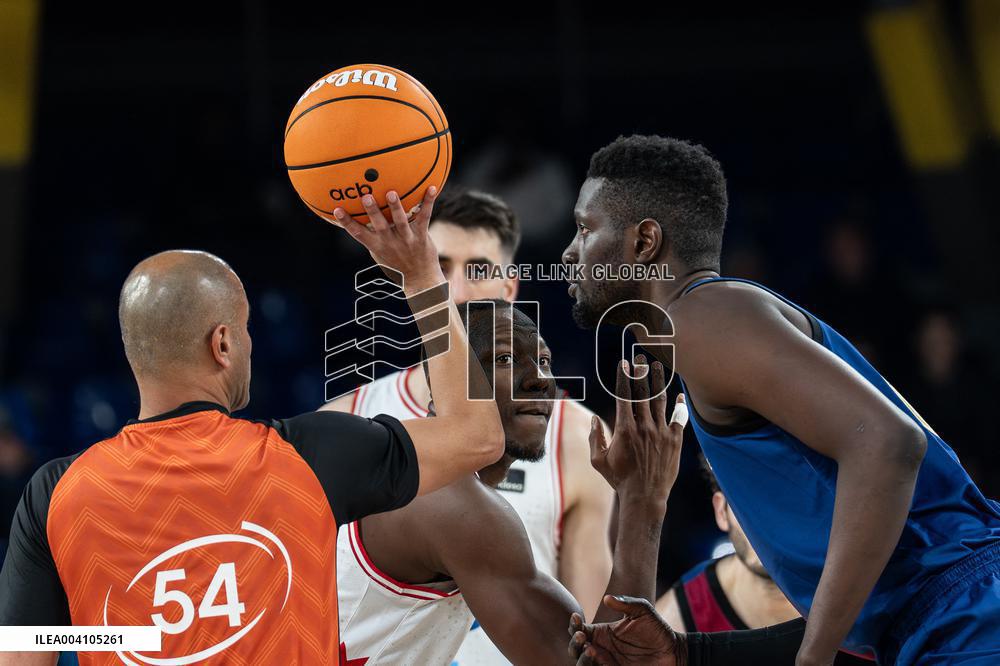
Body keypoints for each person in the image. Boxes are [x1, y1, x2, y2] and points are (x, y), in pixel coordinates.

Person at [0, 187, 504, 665]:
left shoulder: (54, 493)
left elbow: (23, 653)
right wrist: (420, 277)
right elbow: (477, 435)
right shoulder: (309, 457)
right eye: (244, 331)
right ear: (222, 344)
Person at [561, 135, 1000, 665]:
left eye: (586, 229)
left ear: (645, 241)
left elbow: (890, 444)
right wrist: (687, 653)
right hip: (944, 618)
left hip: (968, 611)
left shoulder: (702, 320)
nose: (568, 251)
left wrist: (811, 661)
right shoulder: (715, 325)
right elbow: (871, 612)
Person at [323, 189, 616, 662]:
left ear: (509, 288)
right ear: (409, 277)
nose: (456, 288)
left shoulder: (574, 434)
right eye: (437, 268)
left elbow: (595, 624)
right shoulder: (345, 417)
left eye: (477, 269)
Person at [334, 295, 686, 665]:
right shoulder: (444, 499)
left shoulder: (435, 479)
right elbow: (611, 662)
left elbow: (595, 652)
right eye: (504, 358)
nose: (539, 379)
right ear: (445, 382)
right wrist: (643, 501)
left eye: (545, 361)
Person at [656, 456, 800, 633]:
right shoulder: (675, 624)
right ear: (721, 511)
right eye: (747, 503)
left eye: (780, 502)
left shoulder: (843, 598)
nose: (764, 526)